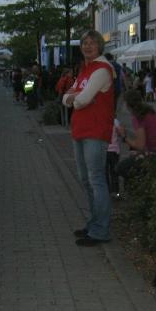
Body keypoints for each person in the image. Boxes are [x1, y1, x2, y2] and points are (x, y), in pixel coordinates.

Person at [62, 29, 115, 246]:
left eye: (92, 43)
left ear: (100, 46)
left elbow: (80, 100)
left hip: (95, 131)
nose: (88, 46)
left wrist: (76, 99)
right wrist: (77, 98)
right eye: (85, 43)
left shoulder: (102, 69)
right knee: (86, 180)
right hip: (80, 130)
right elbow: (68, 97)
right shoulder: (85, 70)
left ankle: (101, 230)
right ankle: (94, 224)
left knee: (96, 180)